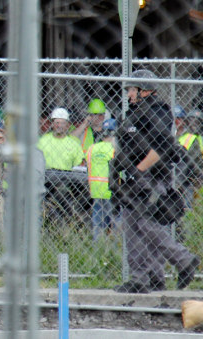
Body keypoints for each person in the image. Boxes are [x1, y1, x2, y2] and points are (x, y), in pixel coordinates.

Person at [111, 69, 200, 293]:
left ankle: (184, 260)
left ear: (145, 90)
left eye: (132, 89)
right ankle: (147, 279)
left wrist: (137, 172)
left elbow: (160, 148)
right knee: (133, 227)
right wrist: (118, 171)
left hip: (151, 176)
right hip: (134, 176)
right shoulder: (131, 114)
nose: (129, 94)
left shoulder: (158, 111)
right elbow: (125, 146)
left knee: (147, 224)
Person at [86, 119, 116, 240]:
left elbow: (87, 166)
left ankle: (98, 247)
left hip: (96, 190)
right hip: (112, 190)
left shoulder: (92, 148)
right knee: (115, 222)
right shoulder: (115, 149)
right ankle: (114, 248)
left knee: (98, 223)